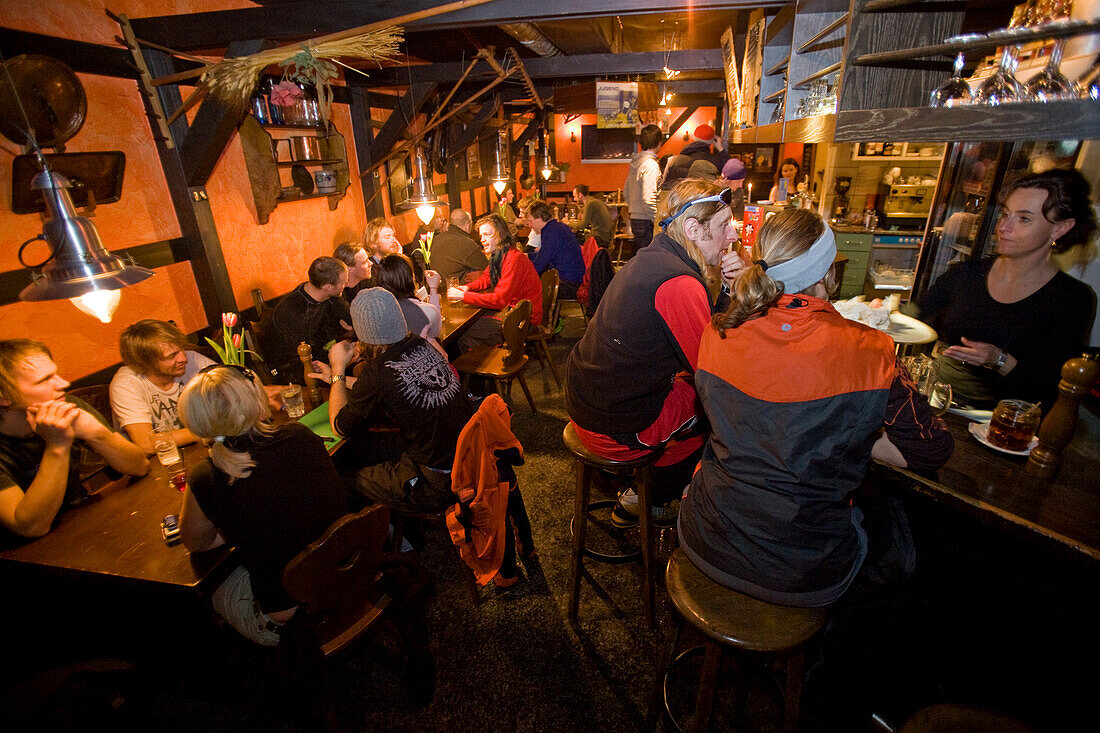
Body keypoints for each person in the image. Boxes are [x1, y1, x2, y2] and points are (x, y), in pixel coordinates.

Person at [678, 208, 954, 608]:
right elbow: (931, 449)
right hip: (801, 570)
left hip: (707, 535)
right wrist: (856, 432)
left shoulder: (719, 331)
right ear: (828, 274)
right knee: (887, 534)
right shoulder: (871, 349)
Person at [565, 179, 746, 528]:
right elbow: (715, 369)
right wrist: (736, 295)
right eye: (724, 227)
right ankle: (646, 499)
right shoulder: (679, 283)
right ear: (693, 229)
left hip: (586, 401)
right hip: (613, 428)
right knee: (717, 412)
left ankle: (645, 493)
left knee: (692, 389)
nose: (732, 237)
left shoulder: (655, 254)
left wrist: (723, 286)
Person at [178, 364, 346, 646]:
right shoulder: (299, 434)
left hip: (292, 617)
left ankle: (243, 677)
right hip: (345, 573)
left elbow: (196, 543)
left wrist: (232, 526)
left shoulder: (206, 475)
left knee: (212, 590)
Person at [909, 168, 1098, 410]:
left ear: (1059, 229)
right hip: (935, 401)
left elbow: (1053, 388)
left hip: (1002, 420)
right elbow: (916, 312)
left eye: (1024, 219)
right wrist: (881, 312)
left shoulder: (1071, 299)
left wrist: (999, 359)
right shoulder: (966, 273)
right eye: (1005, 214)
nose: (1004, 227)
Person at [315, 288, 474, 514]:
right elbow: (387, 387)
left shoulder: (378, 372)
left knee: (346, 481)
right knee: (369, 445)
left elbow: (340, 426)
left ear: (362, 331)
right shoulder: (421, 345)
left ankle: (391, 540)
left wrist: (338, 369)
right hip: (467, 461)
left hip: (438, 482)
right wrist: (334, 379)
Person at [0, 340, 149, 538]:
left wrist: (96, 433)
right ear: (4, 397)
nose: (63, 384)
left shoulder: (64, 405)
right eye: (44, 380)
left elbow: (139, 466)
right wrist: (57, 446)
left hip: (79, 525)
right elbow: (31, 527)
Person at [109, 319, 215, 454]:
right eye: (172, 356)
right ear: (146, 362)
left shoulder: (192, 359)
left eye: (181, 349)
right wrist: (202, 431)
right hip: (156, 465)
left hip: (197, 451)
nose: (184, 358)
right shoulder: (126, 384)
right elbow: (146, 444)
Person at [449, 213, 543, 351]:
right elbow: (487, 278)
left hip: (524, 321)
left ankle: (488, 365)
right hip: (515, 313)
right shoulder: (500, 255)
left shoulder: (513, 259)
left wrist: (464, 297)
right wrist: (466, 288)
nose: (482, 239)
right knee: (473, 325)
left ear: (500, 234)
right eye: (481, 236)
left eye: (487, 234)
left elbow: (500, 300)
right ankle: (485, 361)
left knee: (464, 333)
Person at [261, 256, 351, 384]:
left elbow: (350, 318)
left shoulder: (332, 295)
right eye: (344, 282)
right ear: (328, 287)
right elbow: (300, 358)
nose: (347, 284)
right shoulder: (291, 311)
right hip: (293, 373)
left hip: (325, 356)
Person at [526, 200, 585, 300]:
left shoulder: (551, 233)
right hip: (575, 278)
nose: (529, 225)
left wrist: (521, 273)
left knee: (528, 289)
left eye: (530, 221)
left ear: (539, 219)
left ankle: (541, 315)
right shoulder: (556, 227)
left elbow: (540, 264)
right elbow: (546, 254)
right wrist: (528, 256)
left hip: (570, 283)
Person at [376, 253, 443, 340]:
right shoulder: (426, 311)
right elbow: (435, 332)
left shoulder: (377, 313)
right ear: (411, 277)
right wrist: (433, 289)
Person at [624, 124, 662, 250]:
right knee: (650, 261)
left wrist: (634, 208)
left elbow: (626, 193)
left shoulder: (634, 163)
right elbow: (648, 198)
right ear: (659, 143)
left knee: (640, 257)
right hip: (646, 221)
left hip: (636, 218)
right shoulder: (650, 165)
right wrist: (657, 221)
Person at [429, 208, 488, 285]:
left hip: (437, 290)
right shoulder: (467, 244)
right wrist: (481, 273)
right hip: (460, 290)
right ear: (468, 226)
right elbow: (488, 268)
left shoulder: (435, 240)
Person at [362, 218, 404, 288]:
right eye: (387, 237)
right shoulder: (369, 269)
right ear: (373, 243)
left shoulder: (390, 261)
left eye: (393, 236)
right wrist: (398, 261)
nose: (394, 240)